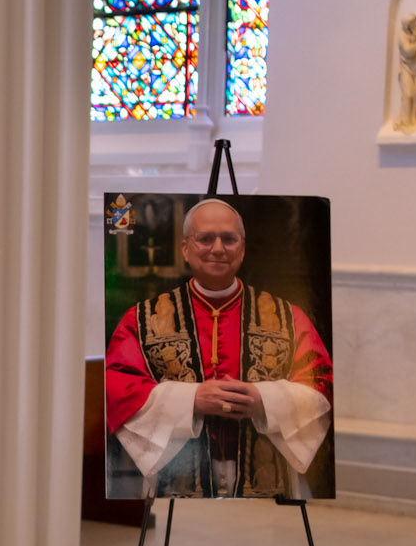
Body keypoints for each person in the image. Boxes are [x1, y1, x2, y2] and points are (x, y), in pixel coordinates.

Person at [105, 198, 332, 498]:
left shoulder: (288, 317)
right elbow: (117, 386)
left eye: (229, 239)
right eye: (205, 238)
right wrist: (192, 400)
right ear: (185, 248)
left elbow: (321, 383)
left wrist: (264, 401)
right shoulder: (143, 319)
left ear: (242, 248)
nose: (217, 248)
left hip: (268, 474)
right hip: (177, 476)